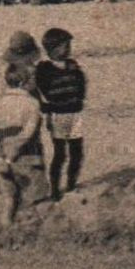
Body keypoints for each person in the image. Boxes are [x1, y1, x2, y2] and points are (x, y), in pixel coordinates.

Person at [0, 65, 49, 225]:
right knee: (34, 199)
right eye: (33, 79)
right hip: (28, 156)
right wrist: (15, 149)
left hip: (4, 158)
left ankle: (5, 235)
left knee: (9, 200)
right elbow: (29, 133)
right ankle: (27, 235)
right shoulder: (32, 103)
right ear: (23, 82)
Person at [33, 27, 87, 200]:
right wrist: (46, 108)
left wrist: (78, 99)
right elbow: (39, 92)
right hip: (58, 115)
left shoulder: (73, 66)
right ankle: (55, 190)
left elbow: (81, 84)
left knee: (77, 152)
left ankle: (71, 184)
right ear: (52, 49)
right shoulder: (44, 69)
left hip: (74, 113)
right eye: (65, 46)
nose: (68, 49)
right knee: (60, 154)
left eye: (69, 46)